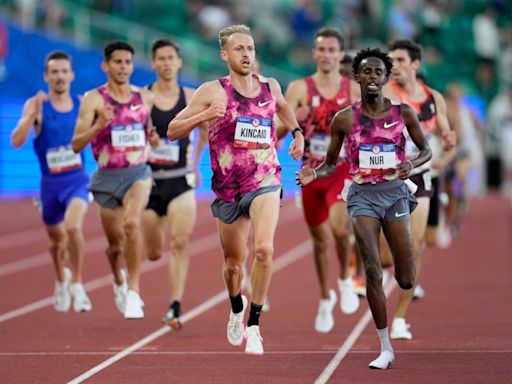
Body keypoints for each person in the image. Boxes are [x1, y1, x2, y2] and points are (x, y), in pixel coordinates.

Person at [168, 24, 304, 355]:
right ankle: (236, 306)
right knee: (233, 264)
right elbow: (173, 129)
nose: (247, 54)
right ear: (225, 55)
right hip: (228, 188)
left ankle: (255, 326)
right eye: (239, 49)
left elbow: (284, 108)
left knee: (264, 250)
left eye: (251, 48)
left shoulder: (270, 86)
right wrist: (203, 114)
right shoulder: (212, 91)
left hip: (265, 179)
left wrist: (298, 134)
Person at [297, 48, 431, 369]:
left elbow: (426, 151)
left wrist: (410, 164)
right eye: (366, 72)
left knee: (406, 278)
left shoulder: (404, 114)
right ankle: (385, 346)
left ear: (387, 77)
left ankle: (402, 276)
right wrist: (314, 173)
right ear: (356, 77)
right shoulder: (344, 119)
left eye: (378, 72)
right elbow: (331, 164)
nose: (372, 77)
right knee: (371, 267)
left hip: (396, 193)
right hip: (361, 196)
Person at [278, 27, 360, 334]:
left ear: (341, 54)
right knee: (320, 241)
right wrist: (292, 121)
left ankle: (345, 279)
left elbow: (368, 127)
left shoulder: (353, 91)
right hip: (310, 173)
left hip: (339, 170)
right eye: (321, 50)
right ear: (315, 53)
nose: (326, 55)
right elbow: (277, 130)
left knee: (340, 231)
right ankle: (326, 298)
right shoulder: (300, 87)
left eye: (331, 50)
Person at [71, 41, 158, 319]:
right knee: (115, 246)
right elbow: (75, 145)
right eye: (117, 62)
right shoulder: (94, 100)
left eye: (127, 62)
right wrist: (98, 125)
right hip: (106, 178)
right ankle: (118, 279)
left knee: (133, 223)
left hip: (138, 174)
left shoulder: (145, 97)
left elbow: (148, 129)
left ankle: (134, 291)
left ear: (133, 65)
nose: (123, 67)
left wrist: (153, 138)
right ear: (105, 65)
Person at [381, 39, 456, 339]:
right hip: (388, 180)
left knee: (415, 246)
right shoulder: (386, 93)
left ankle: (399, 317)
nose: (393, 66)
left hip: (421, 177)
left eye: (399, 60)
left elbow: (446, 134)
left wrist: (447, 142)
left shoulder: (433, 98)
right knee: (388, 259)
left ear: (415, 63)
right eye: (391, 61)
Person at [11, 51, 92, 313]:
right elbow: (17, 140)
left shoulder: (82, 104)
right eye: (54, 72)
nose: (59, 76)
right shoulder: (36, 106)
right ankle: (61, 279)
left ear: (71, 75)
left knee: (73, 229)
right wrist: (28, 117)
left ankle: (78, 283)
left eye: (63, 71)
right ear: (46, 76)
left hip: (77, 181)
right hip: (50, 185)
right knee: (56, 242)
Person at [143, 38, 205, 330]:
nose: (167, 63)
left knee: (180, 243)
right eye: (161, 58)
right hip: (148, 185)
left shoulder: (191, 97)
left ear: (179, 62)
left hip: (180, 181)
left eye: (171, 58)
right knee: (154, 252)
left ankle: (175, 305)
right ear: (154, 62)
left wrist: (196, 164)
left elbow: (207, 129)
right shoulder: (142, 98)